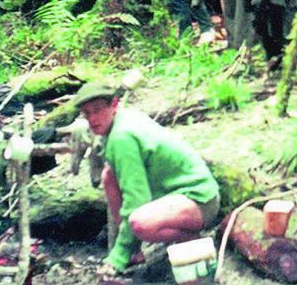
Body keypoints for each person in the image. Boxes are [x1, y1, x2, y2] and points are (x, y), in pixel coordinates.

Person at [75, 81, 221, 275]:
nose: (92, 118)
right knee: (108, 175)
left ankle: (192, 240)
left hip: (199, 200)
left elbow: (137, 199)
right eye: (87, 113)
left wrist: (117, 257)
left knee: (140, 223)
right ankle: (133, 251)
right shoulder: (121, 119)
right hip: (174, 197)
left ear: (114, 105)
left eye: (97, 110)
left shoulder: (122, 137)